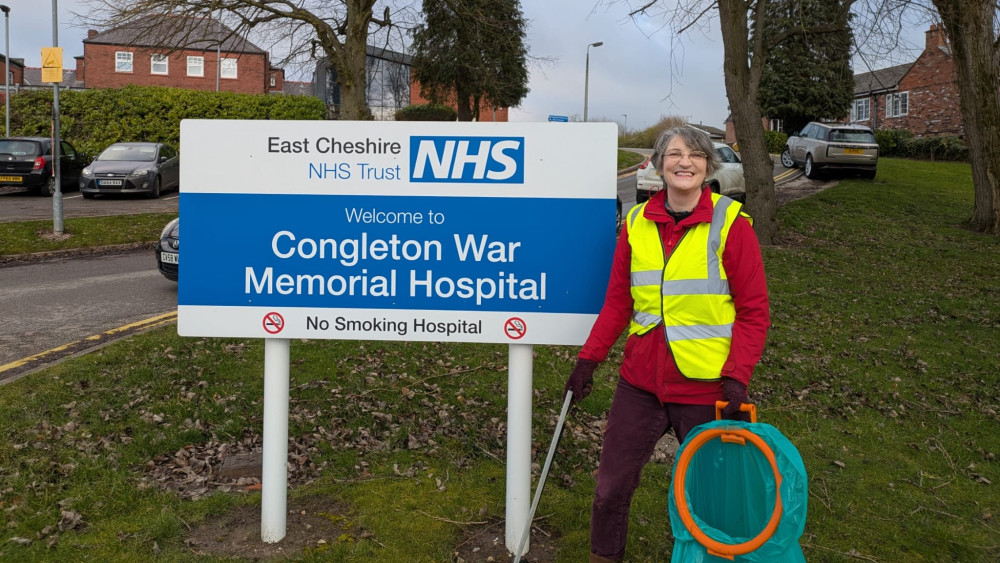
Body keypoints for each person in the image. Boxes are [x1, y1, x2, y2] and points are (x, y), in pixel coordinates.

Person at [565, 125, 770, 563]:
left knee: (711, 500)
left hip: (706, 389)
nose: (684, 162)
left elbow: (754, 313)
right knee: (609, 490)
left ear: (707, 165)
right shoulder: (637, 223)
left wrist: (737, 378)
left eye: (695, 155)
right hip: (639, 384)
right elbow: (619, 301)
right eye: (674, 154)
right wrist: (588, 360)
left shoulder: (731, 225)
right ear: (658, 164)